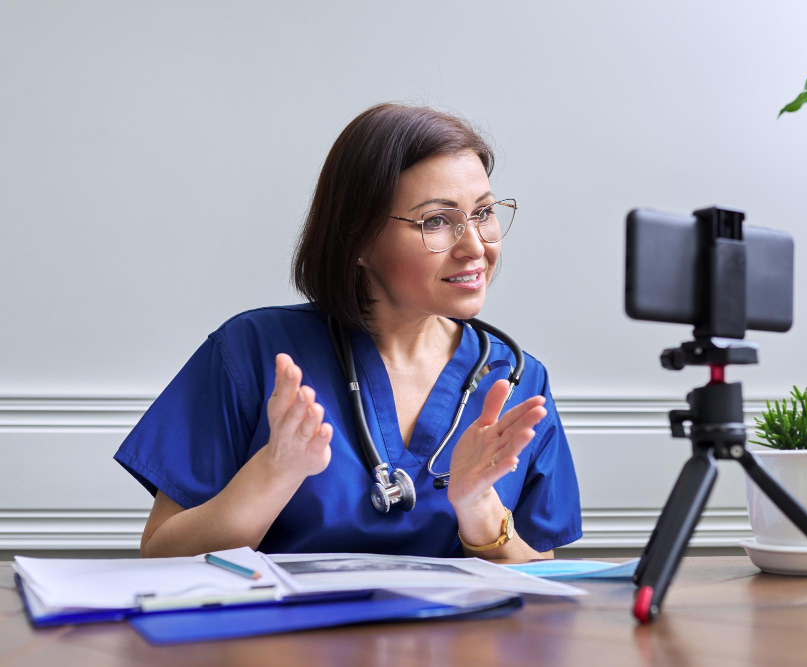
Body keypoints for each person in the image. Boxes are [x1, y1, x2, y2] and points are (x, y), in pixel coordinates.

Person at [114, 102, 583, 560]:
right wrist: (274, 473)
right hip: (282, 637)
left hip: (456, 640)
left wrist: (478, 507)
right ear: (358, 239)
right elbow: (161, 552)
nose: (475, 246)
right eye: (437, 221)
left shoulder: (517, 380)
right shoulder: (252, 353)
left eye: (482, 213)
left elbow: (540, 583)